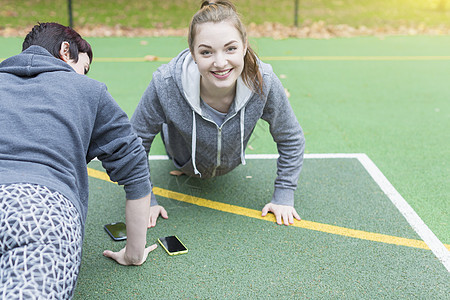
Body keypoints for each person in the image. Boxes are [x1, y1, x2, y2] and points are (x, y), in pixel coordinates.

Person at [0, 22, 157, 299]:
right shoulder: (88, 91)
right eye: (83, 69)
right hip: (39, 211)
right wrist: (133, 253)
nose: (83, 76)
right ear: (65, 50)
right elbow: (135, 168)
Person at [131, 0, 305, 228]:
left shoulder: (264, 81)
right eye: (206, 52)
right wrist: (145, 199)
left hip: (229, 163)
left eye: (230, 48)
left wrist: (284, 194)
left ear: (244, 46)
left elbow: (291, 138)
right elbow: (135, 140)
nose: (220, 62)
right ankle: (169, 125)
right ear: (193, 53)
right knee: (161, 123)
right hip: (182, 159)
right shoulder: (166, 84)